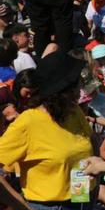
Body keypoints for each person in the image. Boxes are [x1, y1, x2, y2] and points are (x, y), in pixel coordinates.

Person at [0, 52, 93, 207]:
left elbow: (89, 145)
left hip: (81, 196)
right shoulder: (28, 121)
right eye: (76, 83)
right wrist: (21, 205)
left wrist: (90, 196)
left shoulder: (73, 111)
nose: (80, 88)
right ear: (62, 90)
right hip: (50, 205)